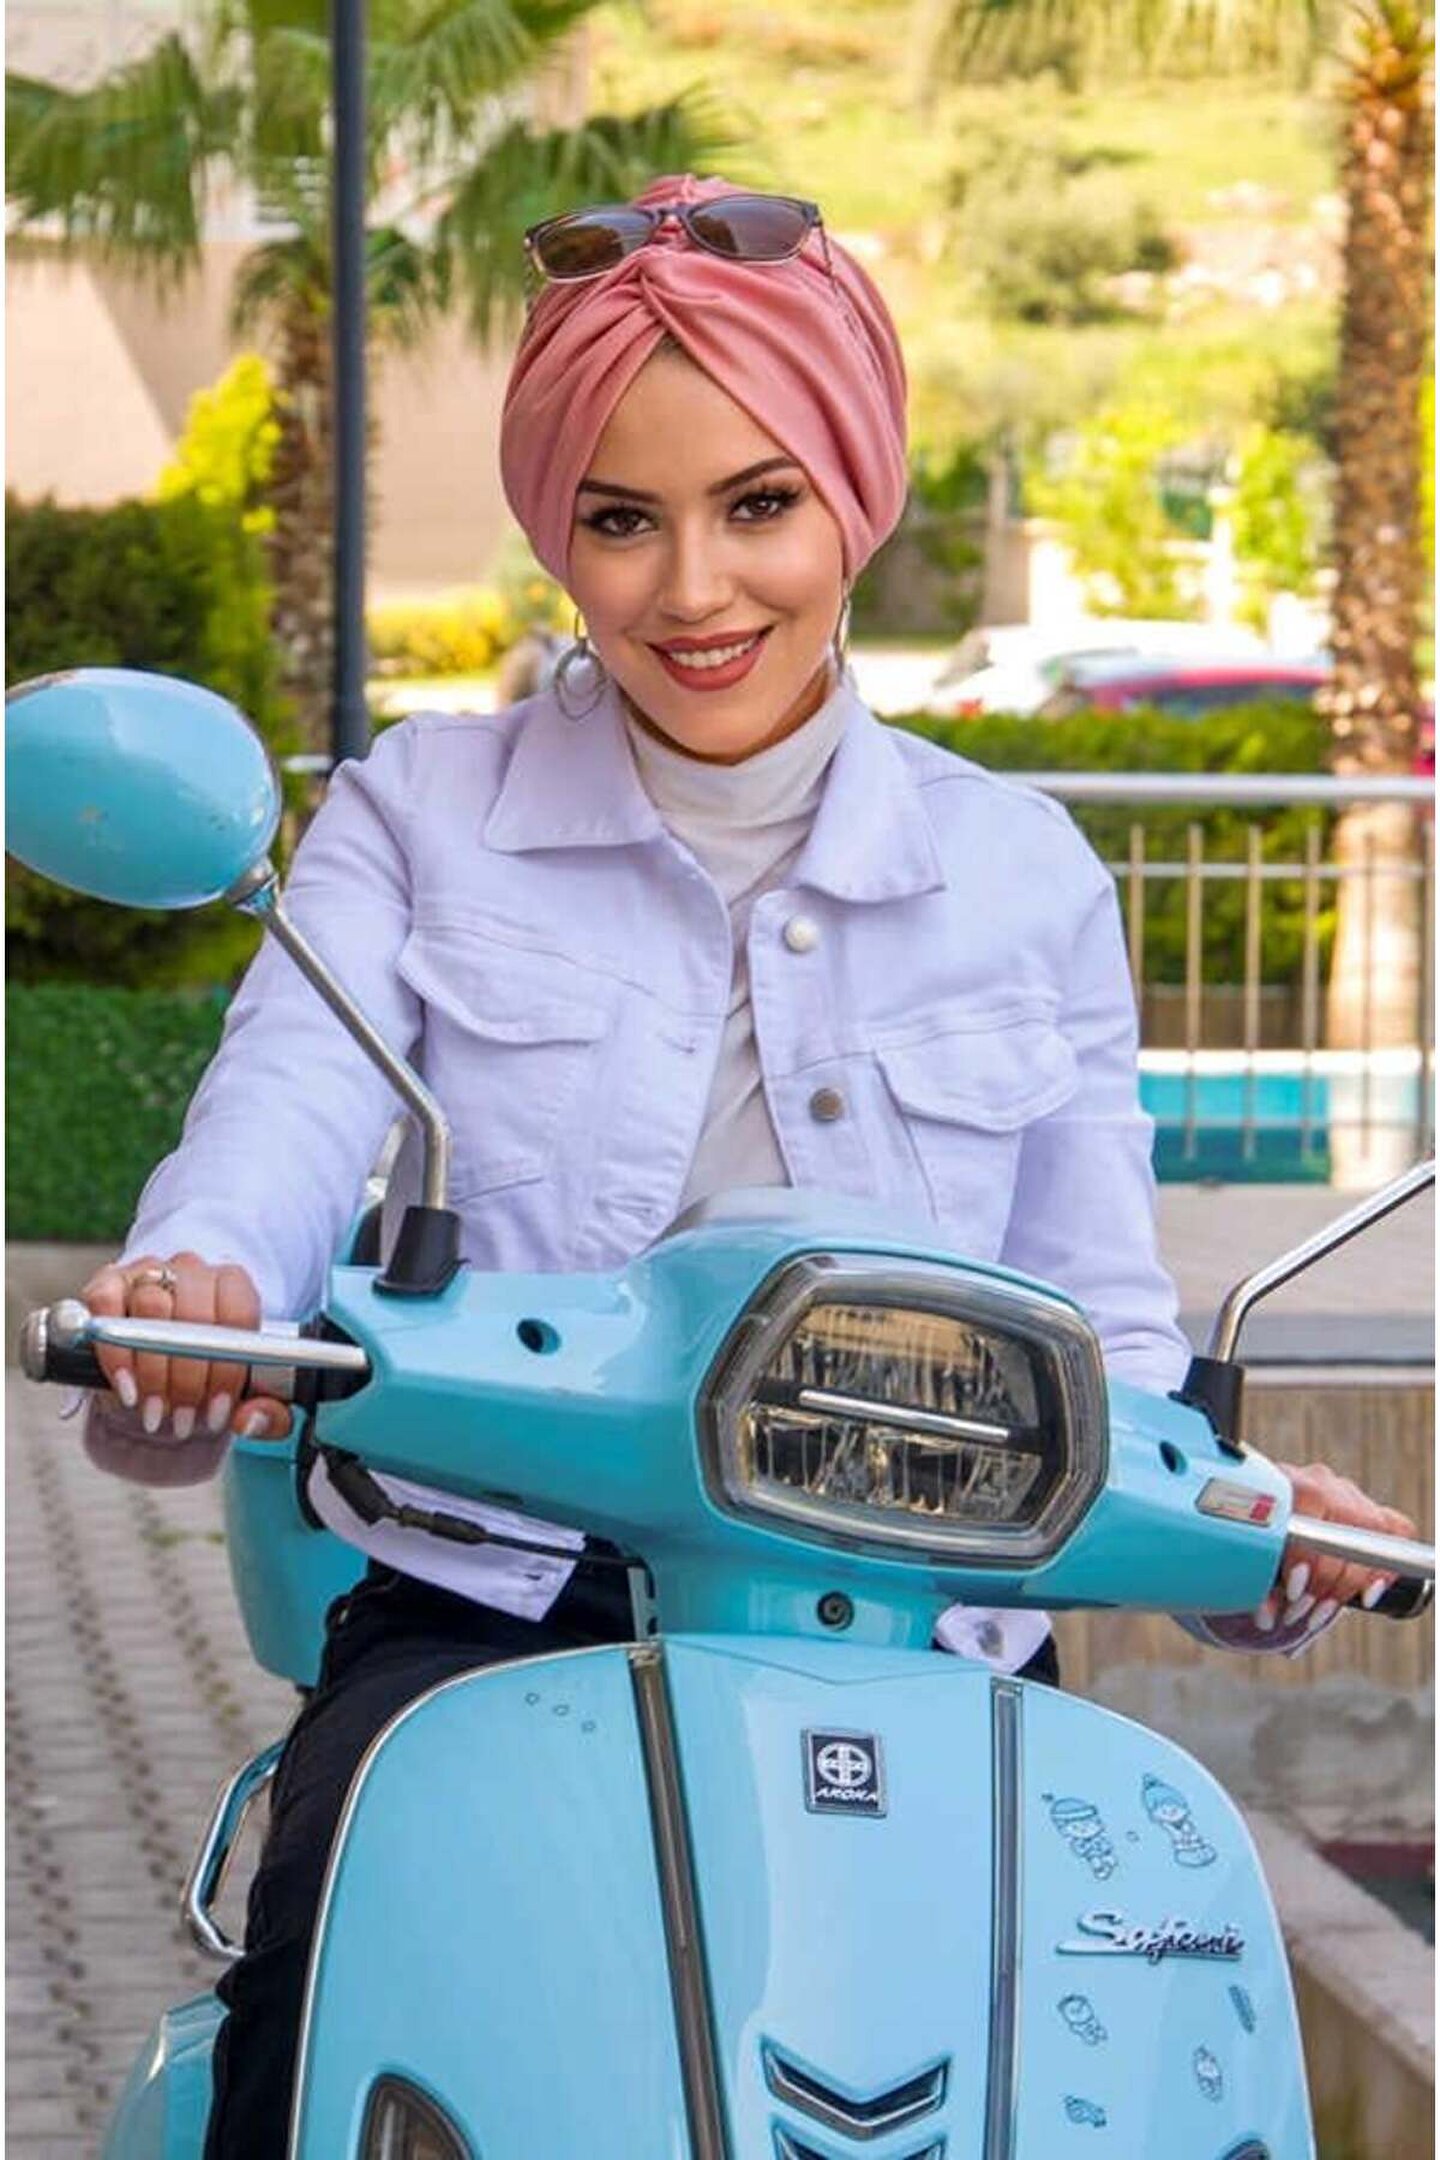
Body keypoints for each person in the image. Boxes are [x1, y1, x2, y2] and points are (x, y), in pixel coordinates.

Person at [75, 175, 1412, 2151]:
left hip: (943, 1646)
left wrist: (1252, 1524)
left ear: (854, 496)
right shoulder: (417, 814)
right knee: (321, 2003)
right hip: (498, 1612)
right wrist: (194, 1287)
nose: (693, 589)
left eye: (758, 504)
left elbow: (1105, 1342)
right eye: (621, 519)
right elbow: (276, 1125)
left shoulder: (1025, 876)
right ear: (558, 530)